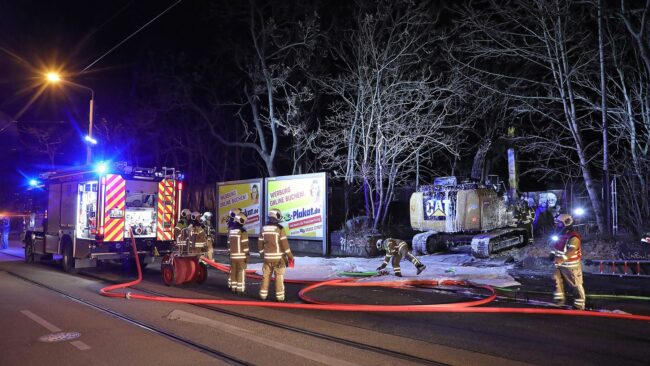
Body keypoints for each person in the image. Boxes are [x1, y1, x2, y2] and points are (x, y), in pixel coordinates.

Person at [551, 213, 586, 310]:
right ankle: (559, 300)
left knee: (575, 284)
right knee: (556, 280)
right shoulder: (560, 234)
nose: (557, 225)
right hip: (559, 264)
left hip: (571, 266)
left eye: (559, 223)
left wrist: (561, 259)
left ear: (566, 223)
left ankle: (579, 304)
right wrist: (552, 254)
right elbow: (556, 246)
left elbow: (571, 251)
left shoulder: (573, 237)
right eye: (557, 223)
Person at [258, 208, 294, 301]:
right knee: (279, 277)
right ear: (277, 217)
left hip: (267, 258)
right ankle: (280, 297)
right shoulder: (280, 229)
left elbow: (260, 244)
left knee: (266, 276)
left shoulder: (263, 228)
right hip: (279, 259)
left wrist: (262, 255)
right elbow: (285, 245)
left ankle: (263, 295)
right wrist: (290, 256)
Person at [227, 209, 249, 294]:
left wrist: (230, 253)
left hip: (232, 255)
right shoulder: (243, 231)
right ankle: (240, 289)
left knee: (233, 271)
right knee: (240, 272)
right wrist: (247, 254)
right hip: (241, 256)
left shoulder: (231, 231)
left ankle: (233, 287)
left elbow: (229, 243)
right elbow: (245, 245)